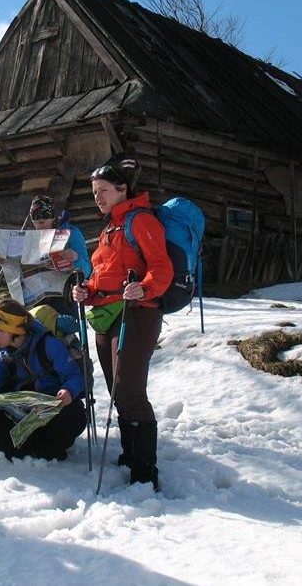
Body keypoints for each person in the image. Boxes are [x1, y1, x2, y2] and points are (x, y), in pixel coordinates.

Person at [71, 154, 172, 490]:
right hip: (107, 316)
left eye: (103, 190)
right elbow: (102, 276)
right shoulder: (110, 228)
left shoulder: (141, 221)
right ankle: (130, 454)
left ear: (122, 189)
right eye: (94, 191)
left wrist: (142, 286)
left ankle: (145, 472)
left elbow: (162, 267)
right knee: (118, 390)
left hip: (138, 312)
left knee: (129, 389)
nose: (97, 197)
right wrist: (86, 290)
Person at [0, 299, 86, 461]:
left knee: (74, 415)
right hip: (26, 412)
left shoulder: (49, 345)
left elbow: (75, 376)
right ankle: (37, 443)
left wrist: (68, 390)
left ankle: (44, 446)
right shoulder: (6, 354)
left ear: (14, 329)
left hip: (56, 409)